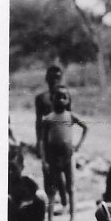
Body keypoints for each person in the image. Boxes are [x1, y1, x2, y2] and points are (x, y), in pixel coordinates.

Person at [39, 85, 88, 221]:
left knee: (71, 188)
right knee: (52, 190)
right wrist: (43, 160)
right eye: (58, 96)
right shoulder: (48, 118)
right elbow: (43, 141)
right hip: (53, 157)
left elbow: (85, 127)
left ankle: (73, 219)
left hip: (68, 156)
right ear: (52, 99)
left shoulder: (70, 116)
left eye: (64, 97)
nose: (61, 99)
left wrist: (78, 146)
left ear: (68, 100)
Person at [34, 65, 65, 202]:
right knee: (48, 171)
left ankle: (65, 199)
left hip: (61, 138)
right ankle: (51, 202)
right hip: (47, 139)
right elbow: (38, 121)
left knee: (63, 170)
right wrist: (38, 140)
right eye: (52, 78)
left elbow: (68, 117)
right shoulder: (41, 98)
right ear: (47, 79)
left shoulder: (64, 96)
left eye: (57, 77)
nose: (55, 81)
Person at [8, 145, 46, 221]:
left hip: (27, 216)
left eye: (13, 168)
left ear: (21, 167)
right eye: (9, 168)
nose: (10, 172)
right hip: (16, 216)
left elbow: (39, 194)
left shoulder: (27, 181)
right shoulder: (7, 183)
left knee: (40, 201)